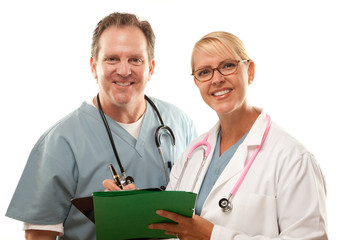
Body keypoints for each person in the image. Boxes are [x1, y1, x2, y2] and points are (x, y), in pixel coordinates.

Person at [6, 12, 197, 240]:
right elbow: (39, 235)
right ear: (93, 66)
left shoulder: (179, 123)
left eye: (135, 59)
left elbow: (200, 208)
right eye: (112, 59)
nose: (124, 71)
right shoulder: (60, 141)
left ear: (151, 68)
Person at [146, 31, 328, 239]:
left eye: (227, 66)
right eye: (204, 72)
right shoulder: (194, 153)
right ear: (197, 83)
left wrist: (213, 236)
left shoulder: (293, 158)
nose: (216, 79)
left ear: (250, 71)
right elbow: (170, 224)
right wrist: (133, 204)